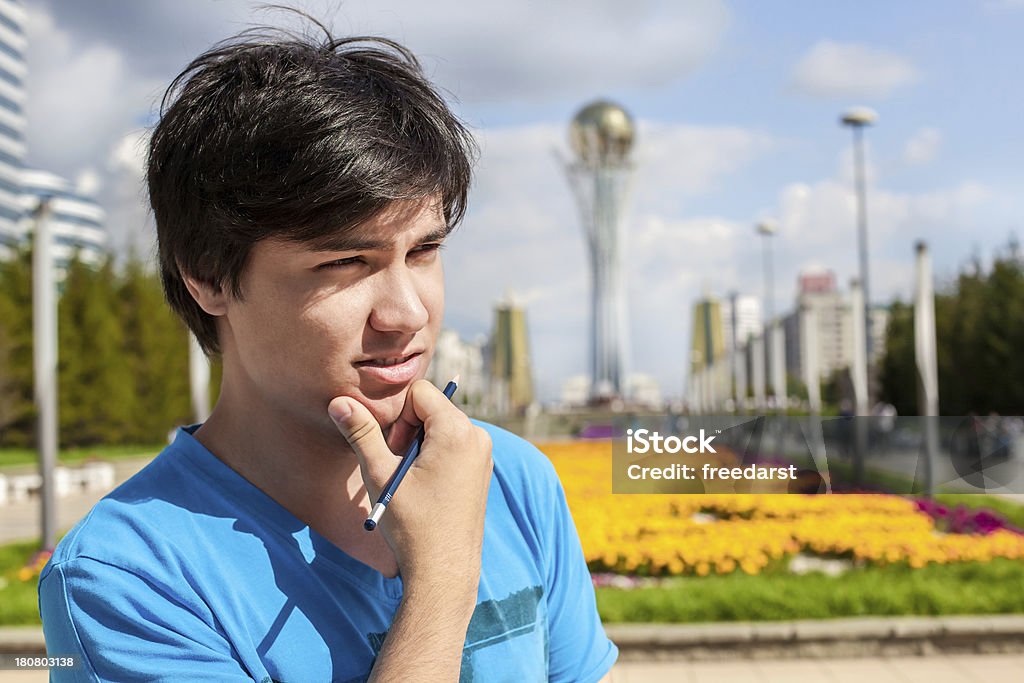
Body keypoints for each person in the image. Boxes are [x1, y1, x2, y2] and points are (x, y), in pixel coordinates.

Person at [39, 17, 618, 683]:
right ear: (205, 273)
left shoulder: (511, 478)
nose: (407, 312)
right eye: (346, 262)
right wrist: (442, 580)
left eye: (424, 251)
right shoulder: (129, 577)